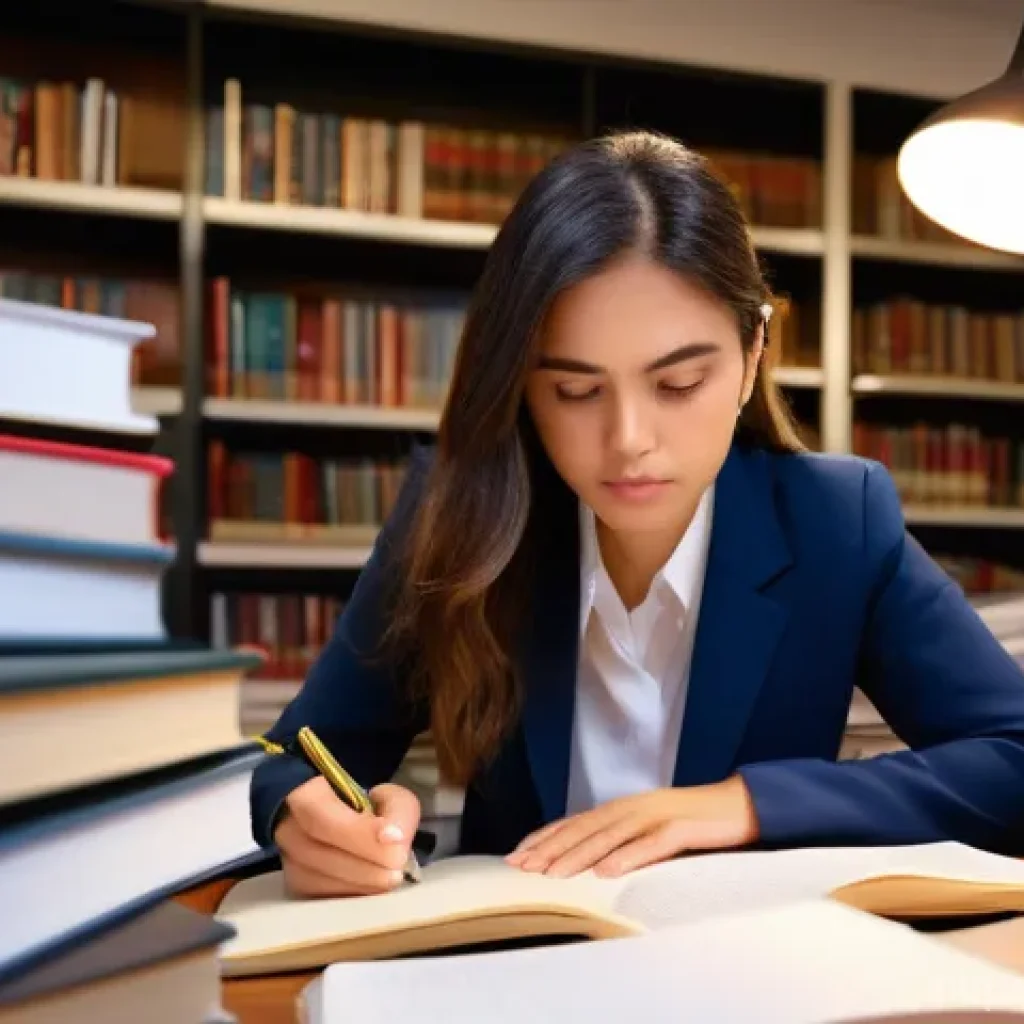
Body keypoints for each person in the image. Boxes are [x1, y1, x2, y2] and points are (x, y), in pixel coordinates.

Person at [250, 131, 1024, 899]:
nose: (628, 443)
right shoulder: (457, 516)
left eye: (679, 382)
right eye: (576, 391)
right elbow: (299, 758)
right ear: (519, 382)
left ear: (754, 351)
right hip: (517, 973)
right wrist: (307, 818)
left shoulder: (836, 522)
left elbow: (1013, 756)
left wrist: (744, 805)